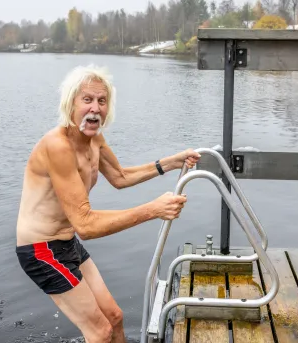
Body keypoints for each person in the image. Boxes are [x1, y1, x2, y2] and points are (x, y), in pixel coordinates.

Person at [15, 64, 201, 343]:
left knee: (114, 318)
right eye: (87, 99)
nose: (95, 108)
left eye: (102, 101)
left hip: (66, 243)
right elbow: (86, 225)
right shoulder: (57, 146)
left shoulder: (94, 139)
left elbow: (120, 176)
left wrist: (171, 162)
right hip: (41, 250)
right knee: (99, 332)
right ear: (71, 103)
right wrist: (153, 210)